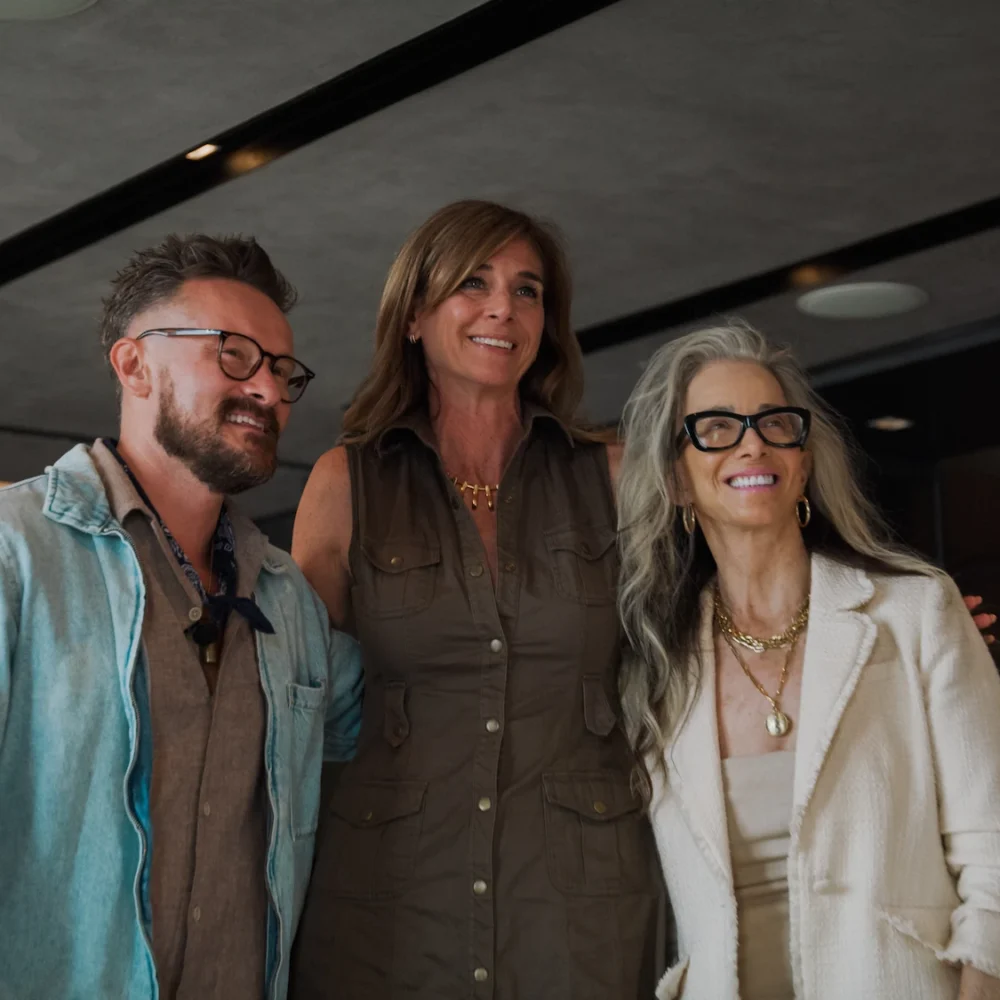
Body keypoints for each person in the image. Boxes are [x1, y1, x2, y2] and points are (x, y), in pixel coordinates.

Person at [290, 200, 666, 998]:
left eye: (528, 291)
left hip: (582, 912)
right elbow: (292, 698)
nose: (504, 307)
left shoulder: (615, 472)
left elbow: (706, 636)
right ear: (416, 315)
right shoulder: (345, 482)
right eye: (474, 282)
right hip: (385, 911)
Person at [0, 234, 363, 1000]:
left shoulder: (285, 598)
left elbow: (403, 721)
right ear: (133, 365)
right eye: (234, 354)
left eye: (281, 369)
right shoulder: (17, 552)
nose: (268, 389)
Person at [615, 322, 1000, 1000]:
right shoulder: (654, 666)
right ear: (676, 479)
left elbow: (993, 848)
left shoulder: (914, 611)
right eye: (716, 428)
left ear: (804, 460)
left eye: (774, 423)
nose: (753, 442)